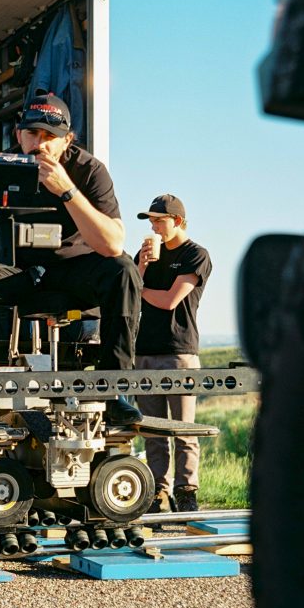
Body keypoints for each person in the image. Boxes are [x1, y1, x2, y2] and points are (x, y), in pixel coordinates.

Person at [0, 93, 142, 424]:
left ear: (67, 140)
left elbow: (113, 244)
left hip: (73, 270)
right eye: (33, 134)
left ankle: (115, 390)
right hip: (17, 269)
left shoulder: (89, 170)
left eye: (50, 136)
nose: (40, 144)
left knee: (123, 271)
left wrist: (67, 190)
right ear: (19, 135)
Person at [134, 194, 212, 513]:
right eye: (151, 221)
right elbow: (128, 294)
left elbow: (169, 301)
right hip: (144, 351)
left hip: (179, 351)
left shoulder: (196, 254)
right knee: (152, 431)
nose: (153, 227)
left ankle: (186, 491)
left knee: (183, 429)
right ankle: (157, 492)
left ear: (177, 220)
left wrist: (139, 289)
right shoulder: (146, 254)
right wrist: (140, 267)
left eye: (158, 220)